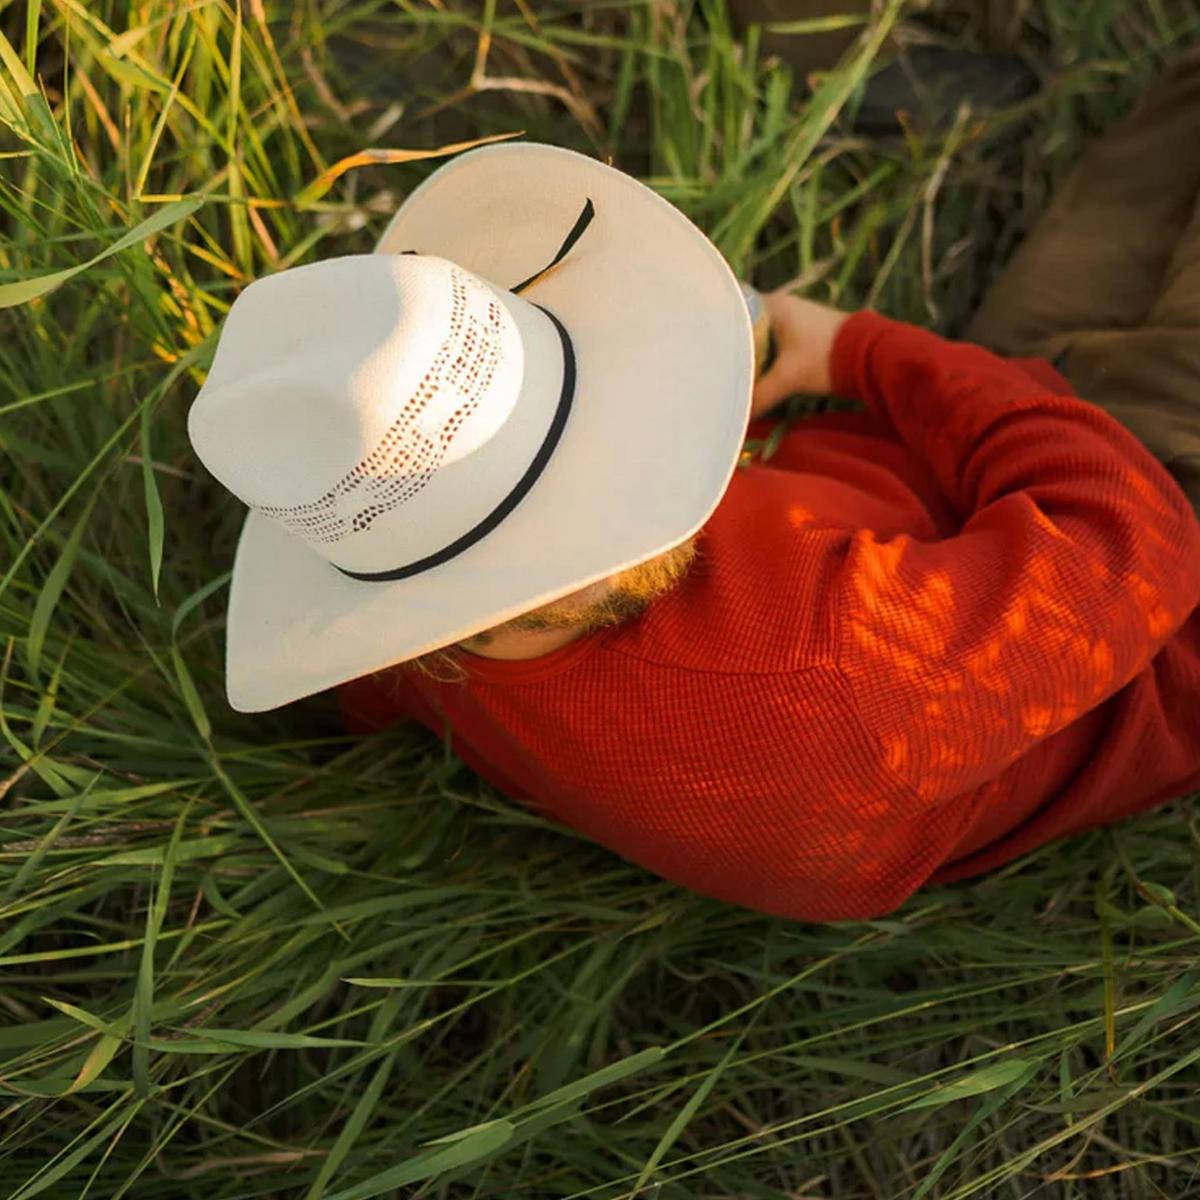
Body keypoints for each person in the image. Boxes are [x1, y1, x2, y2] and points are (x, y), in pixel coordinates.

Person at [187, 49, 1200, 924]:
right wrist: (859, 349)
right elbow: (1140, 535)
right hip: (1143, 520)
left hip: (963, 452)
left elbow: (370, 692)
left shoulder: (415, 646)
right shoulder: (830, 672)